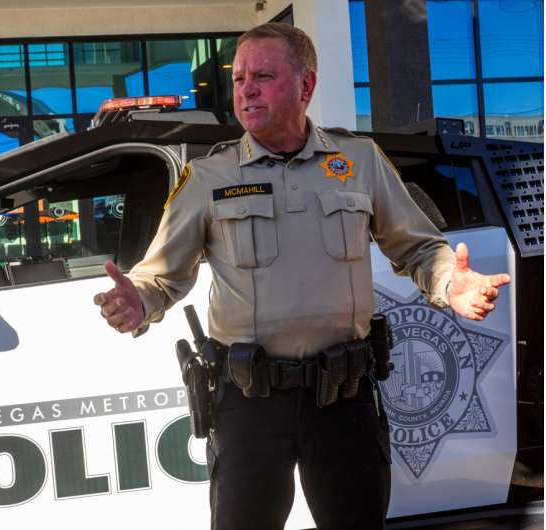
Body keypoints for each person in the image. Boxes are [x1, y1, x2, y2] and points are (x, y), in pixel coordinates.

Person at [93, 22, 511, 530]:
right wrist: (137, 301)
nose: (246, 89)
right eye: (239, 78)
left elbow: (417, 246)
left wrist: (449, 282)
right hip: (249, 403)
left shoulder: (359, 160)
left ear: (306, 85)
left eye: (263, 76)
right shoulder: (209, 176)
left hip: (343, 397)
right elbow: (160, 276)